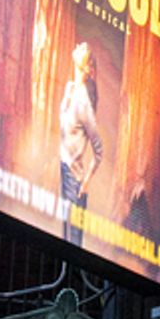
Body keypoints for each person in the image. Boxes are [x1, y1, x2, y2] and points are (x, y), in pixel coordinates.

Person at [59, 41, 103, 245]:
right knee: (65, 234)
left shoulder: (84, 104)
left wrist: (85, 183)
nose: (82, 44)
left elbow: (99, 150)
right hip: (65, 169)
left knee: (73, 241)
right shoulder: (70, 88)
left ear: (86, 66)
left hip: (74, 179)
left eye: (86, 49)